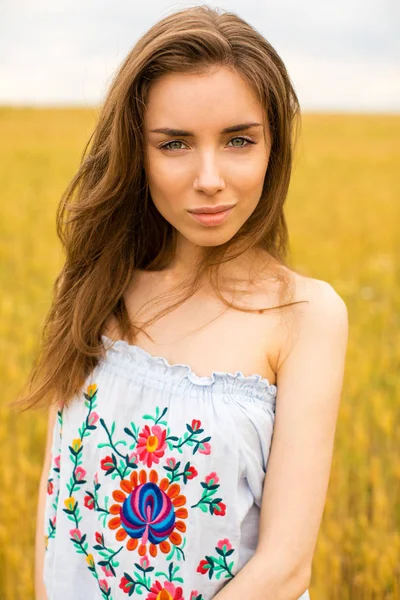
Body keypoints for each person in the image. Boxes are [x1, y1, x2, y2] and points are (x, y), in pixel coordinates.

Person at [17, 5, 348, 600]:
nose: (210, 177)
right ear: (135, 152)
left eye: (239, 140)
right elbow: (56, 496)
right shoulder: (95, 284)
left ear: (273, 146)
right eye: (174, 145)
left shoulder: (304, 317)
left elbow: (285, 568)